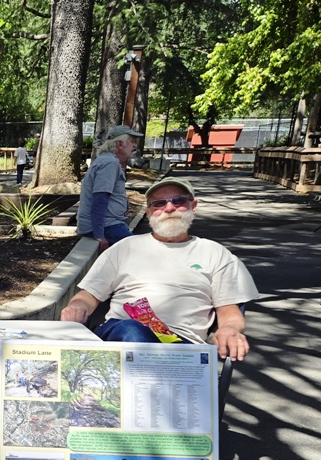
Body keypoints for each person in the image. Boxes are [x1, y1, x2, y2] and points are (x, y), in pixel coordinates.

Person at [60, 177, 260, 359]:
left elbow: (229, 312)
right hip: (120, 337)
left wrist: (230, 329)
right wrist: (78, 307)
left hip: (181, 347)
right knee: (133, 331)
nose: (169, 208)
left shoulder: (216, 253)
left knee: (137, 336)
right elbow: (87, 296)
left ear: (193, 206)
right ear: (148, 213)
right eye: (159, 203)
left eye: (178, 201)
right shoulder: (125, 247)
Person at [76, 124, 143, 252]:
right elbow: (100, 200)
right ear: (119, 144)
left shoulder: (108, 160)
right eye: (132, 142)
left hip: (109, 225)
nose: (134, 146)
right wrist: (99, 235)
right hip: (107, 227)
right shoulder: (109, 163)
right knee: (143, 251)